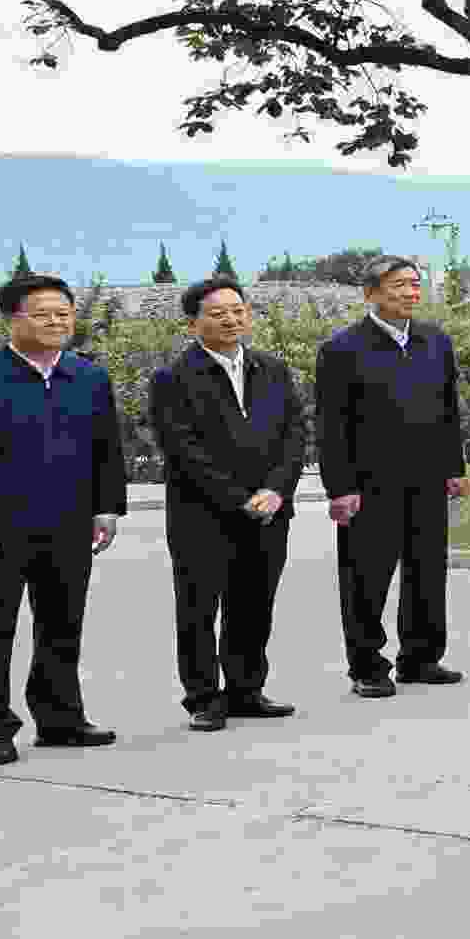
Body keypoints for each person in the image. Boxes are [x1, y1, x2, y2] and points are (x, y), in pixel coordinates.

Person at [0, 271, 127, 764]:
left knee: (62, 624)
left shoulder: (88, 377)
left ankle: (60, 718)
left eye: (64, 313)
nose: (56, 322)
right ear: (12, 319)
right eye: (43, 314)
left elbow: (106, 448)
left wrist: (106, 507)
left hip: (68, 524)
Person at [147, 276, 308, 735]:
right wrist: (239, 499)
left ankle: (246, 689)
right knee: (199, 608)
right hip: (203, 515)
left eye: (238, 310)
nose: (231, 320)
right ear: (193, 323)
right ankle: (202, 697)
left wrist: (277, 489)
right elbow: (183, 450)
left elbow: (295, 434)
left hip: (270, 511)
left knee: (254, 603)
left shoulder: (272, 369)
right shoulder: (173, 378)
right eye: (217, 313)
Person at [316, 257, 469, 698]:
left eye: (414, 284)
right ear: (371, 294)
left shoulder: (435, 341)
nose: (409, 292)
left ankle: (421, 658)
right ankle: (366, 665)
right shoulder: (342, 348)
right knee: (366, 577)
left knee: (427, 572)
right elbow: (331, 426)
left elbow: (448, 410)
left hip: (427, 478)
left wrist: (454, 468)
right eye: (398, 284)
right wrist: (340, 488)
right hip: (369, 484)